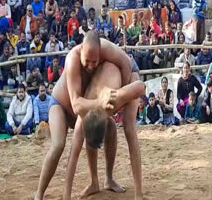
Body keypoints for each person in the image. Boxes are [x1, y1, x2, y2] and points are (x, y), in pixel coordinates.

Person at [36, 31, 143, 200]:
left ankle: (108, 181)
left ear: (100, 55)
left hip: (103, 95)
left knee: (119, 127)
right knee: (58, 145)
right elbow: (77, 105)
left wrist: (118, 99)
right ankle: (39, 194)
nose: (91, 66)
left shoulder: (107, 51)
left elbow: (131, 71)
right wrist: (66, 196)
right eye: (87, 62)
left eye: (95, 62)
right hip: (62, 104)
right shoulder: (72, 59)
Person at [63, 61, 145, 200]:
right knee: (110, 126)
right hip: (103, 71)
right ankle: (94, 182)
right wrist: (66, 196)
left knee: (129, 129)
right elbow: (74, 152)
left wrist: (139, 195)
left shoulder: (116, 98)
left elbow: (141, 86)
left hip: (128, 72)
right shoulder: (84, 110)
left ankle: (137, 192)